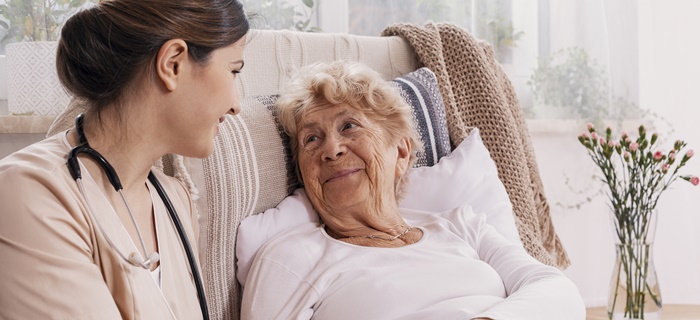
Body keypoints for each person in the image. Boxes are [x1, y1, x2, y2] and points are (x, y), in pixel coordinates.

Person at [240, 60, 586, 319]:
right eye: (311, 139)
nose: (331, 149)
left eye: (349, 126)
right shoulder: (290, 257)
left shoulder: (461, 226)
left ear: (401, 153)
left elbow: (559, 292)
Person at [0, 0, 249, 319]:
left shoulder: (175, 200)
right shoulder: (27, 194)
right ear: (173, 64)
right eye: (234, 71)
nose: (236, 105)